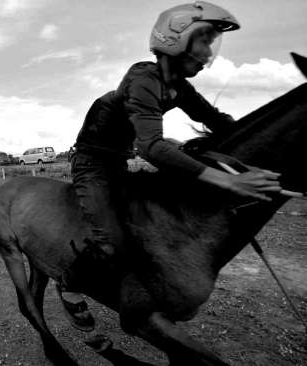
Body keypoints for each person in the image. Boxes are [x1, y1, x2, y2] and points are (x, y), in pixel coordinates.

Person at [60, 1, 283, 330]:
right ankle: (68, 285)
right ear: (177, 38)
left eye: (211, 43)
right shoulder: (143, 78)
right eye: (204, 41)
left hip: (118, 163)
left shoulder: (179, 87)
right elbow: (150, 146)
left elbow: (216, 121)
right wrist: (229, 182)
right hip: (92, 165)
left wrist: (254, 147)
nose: (209, 52)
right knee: (108, 240)